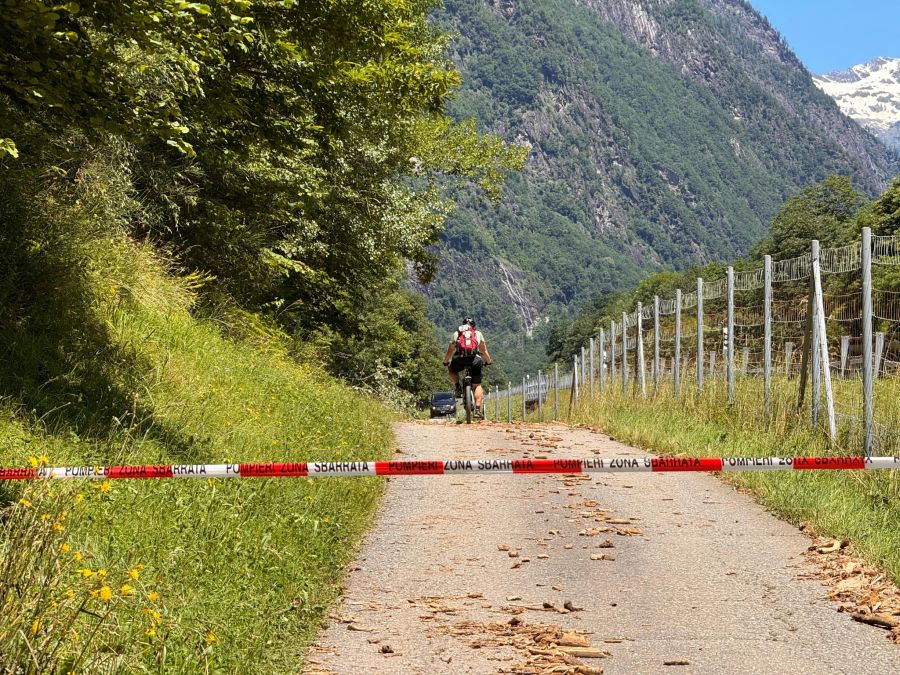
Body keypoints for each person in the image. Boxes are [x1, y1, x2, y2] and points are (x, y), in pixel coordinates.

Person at [443, 316, 492, 415]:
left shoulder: (457, 333)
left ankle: (457, 387)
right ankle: (478, 408)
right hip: (475, 360)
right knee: (477, 385)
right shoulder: (477, 333)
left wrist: (445, 361)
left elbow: (450, 350)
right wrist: (489, 361)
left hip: (459, 360)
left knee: (452, 371)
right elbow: (484, 350)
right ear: (474, 326)